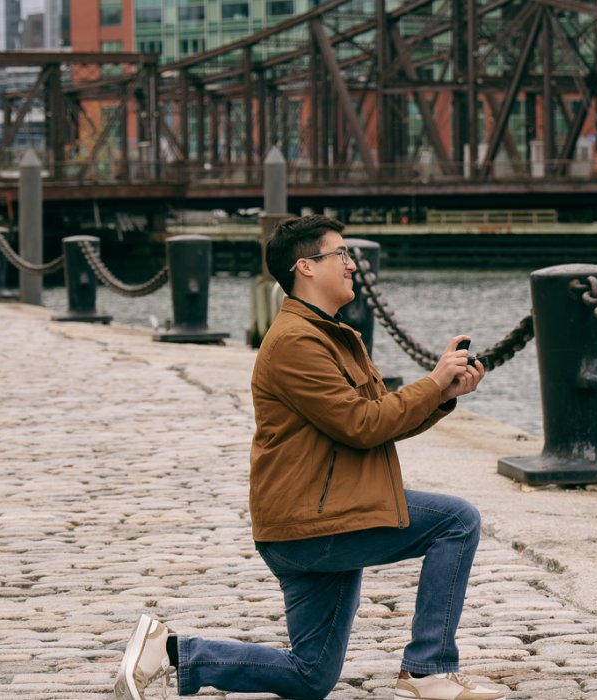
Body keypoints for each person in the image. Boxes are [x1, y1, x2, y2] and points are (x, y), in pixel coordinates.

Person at [114, 214, 507, 700]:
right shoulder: (296, 342)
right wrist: (430, 383)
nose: (351, 265)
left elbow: (377, 418)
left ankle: (170, 651)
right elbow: (362, 425)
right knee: (456, 521)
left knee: (310, 676)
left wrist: (442, 393)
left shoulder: (332, 334)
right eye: (340, 254)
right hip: (313, 521)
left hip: (321, 517)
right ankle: (428, 670)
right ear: (305, 267)